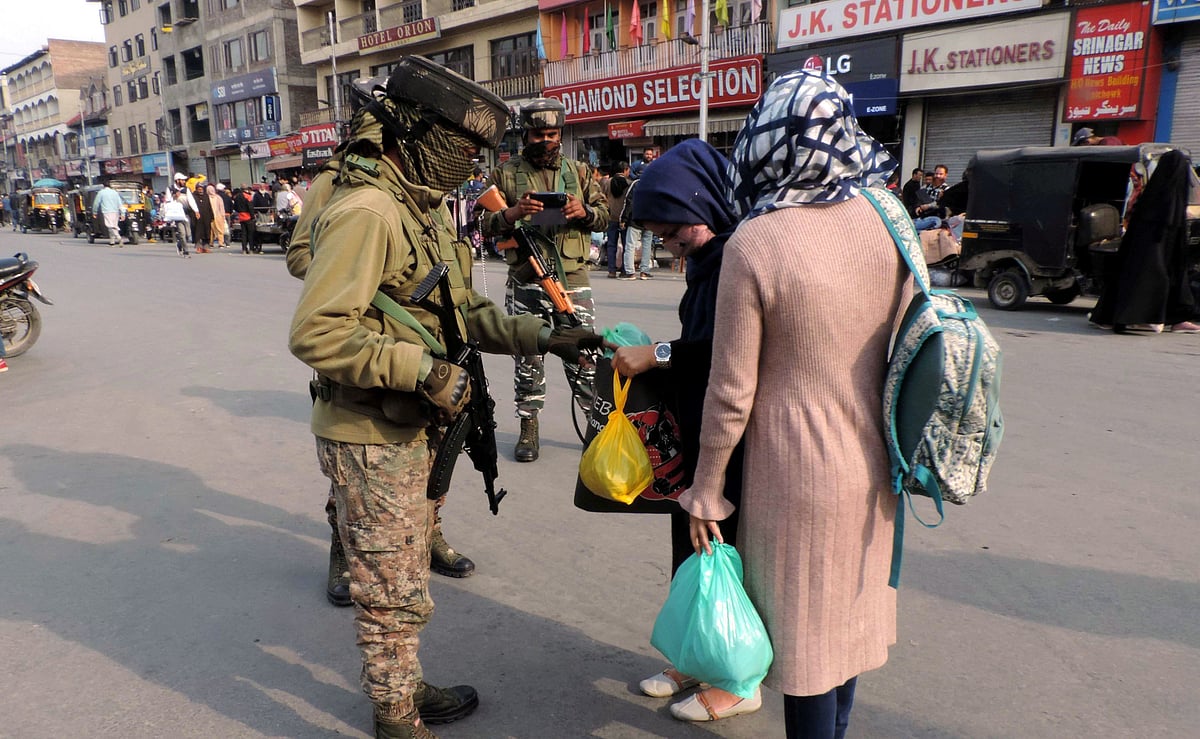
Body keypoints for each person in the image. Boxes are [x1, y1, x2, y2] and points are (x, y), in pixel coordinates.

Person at [288, 57, 603, 739]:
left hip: (409, 424)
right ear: (416, 132)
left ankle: (404, 689)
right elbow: (315, 331)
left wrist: (547, 336)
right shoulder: (370, 211)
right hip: (370, 429)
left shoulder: (418, 207)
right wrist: (421, 371)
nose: (473, 167)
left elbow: (460, 310)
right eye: (464, 150)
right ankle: (396, 719)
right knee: (388, 592)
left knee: (405, 579)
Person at [679, 69, 905, 736]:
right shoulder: (888, 218)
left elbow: (730, 393)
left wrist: (707, 490)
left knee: (807, 652)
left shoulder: (758, 240)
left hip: (796, 478)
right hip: (875, 470)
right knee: (843, 637)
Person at [609, 139, 750, 716]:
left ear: (706, 207)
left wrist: (658, 354)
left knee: (721, 551)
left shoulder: (739, 260)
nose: (668, 247)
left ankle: (737, 676)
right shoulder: (706, 262)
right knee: (691, 550)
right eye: (660, 236)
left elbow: (723, 353)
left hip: (728, 439)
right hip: (692, 432)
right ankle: (696, 656)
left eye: (674, 233)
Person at [479, 97, 609, 463]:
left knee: (583, 354)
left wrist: (583, 212)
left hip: (572, 278)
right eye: (538, 134)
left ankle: (595, 427)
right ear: (526, 134)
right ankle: (528, 426)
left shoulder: (580, 172)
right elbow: (481, 225)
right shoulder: (505, 175)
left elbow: (604, 217)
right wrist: (513, 213)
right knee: (527, 357)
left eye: (552, 134)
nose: (546, 141)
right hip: (525, 280)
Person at [1089, 149, 1200, 334]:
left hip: (1166, 245)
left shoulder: (1163, 194)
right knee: (1152, 279)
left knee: (1174, 279)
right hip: (1152, 248)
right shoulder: (1158, 197)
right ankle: (1135, 318)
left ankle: (1177, 319)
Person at [619, 178, 655, 279]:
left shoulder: (636, 183)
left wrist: (624, 219)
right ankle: (644, 271)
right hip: (649, 220)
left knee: (630, 245)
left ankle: (630, 272)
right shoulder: (655, 184)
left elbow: (628, 201)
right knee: (647, 245)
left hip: (635, 219)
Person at [601, 161, 631, 278]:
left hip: (611, 216)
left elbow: (602, 197)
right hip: (624, 218)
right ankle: (624, 269)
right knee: (626, 245)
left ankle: (611, 270)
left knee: (611, 244)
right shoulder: (629, 184)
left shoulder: (608, 182)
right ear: (625, 170)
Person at [161, 190, 192, 257]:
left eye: (179, 192)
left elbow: (192, 204)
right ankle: (186, 251)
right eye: (176, 193)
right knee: (182, 234)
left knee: (188, 235)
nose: (178, 194)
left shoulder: (186, 198)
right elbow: (168, 208)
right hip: (178, 218)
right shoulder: (172, 201)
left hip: (187, 217)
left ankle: (179, 244)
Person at [93, 182, 124, 246]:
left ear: (103, 186)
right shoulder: (115, 192)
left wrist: (94, 212)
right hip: (116, 211)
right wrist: (122, 213)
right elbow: (120, 203)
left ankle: (119, 238)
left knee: (110, 226)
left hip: (107, 211)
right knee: (114, 225)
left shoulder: (101, 192)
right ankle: (112, 241)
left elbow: (96, 203)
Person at [233, 186, 256, 253]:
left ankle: (244, 249)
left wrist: (240, 212)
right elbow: (250, 207)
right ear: (246, 190)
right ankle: (251, 249)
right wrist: (252, 216)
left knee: (244, 234)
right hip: (248, 217)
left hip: (241, 217)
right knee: (250, 234)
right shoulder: (248, 196)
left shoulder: (237, 197)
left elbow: (235, 207)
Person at [194, 183, 214, 253]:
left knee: (207, 232)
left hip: (206, 217)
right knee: (198, 233)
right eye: (199, 189)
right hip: (197, 218)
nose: (200, 190)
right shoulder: (193, 196)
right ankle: (198, 247)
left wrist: (212, 216)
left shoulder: (206, 196)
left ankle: (206, 247)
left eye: (201, 189)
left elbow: (209, 206)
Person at [207, 184, 227, 249]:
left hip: (210, 216)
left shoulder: (206, 197)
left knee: (211, 230)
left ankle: (211, 243)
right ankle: (221, 243)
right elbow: (222, 207)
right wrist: (223, 215)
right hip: (219, 216)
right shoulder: (218, 197)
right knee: (220, 230)